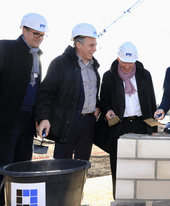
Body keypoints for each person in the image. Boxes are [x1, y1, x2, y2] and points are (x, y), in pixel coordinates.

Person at [0, 13, 49, 206]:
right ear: (24, 30)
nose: (39, 38)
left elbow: (36, 91)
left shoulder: (37, 57)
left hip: (28, 121)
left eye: (42, 35)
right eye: (36, 33)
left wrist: (39, 117)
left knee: (23, 165)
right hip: (7, 121)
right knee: (4, 166)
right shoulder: (5, 48)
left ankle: (18, 203)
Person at [99, 41, 157, 198]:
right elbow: (103, 101)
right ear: (118, 59)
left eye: (130, 63)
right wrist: (107, 110)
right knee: (118, 166)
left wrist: (153, 129)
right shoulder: (109, 76)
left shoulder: (145, 75)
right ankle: (119, 199)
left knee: (141, 166)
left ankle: (140, 198)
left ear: (136, 61)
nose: (127, 66)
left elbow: (151, 102)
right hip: (119, 125)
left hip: (141, 124)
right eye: (124, 62)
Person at [36, 23, 100, 161]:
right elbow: (45, 94)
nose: (94, 49)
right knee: (62, 165)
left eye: (95, 45)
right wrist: (43, 118)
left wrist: (97, 107)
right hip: (68, 122)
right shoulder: (60, 63)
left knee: (82, 164)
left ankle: (79, 184)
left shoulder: (94, 67)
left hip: (88, 123)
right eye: (91, 45)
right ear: (78, 44)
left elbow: (92, 93)